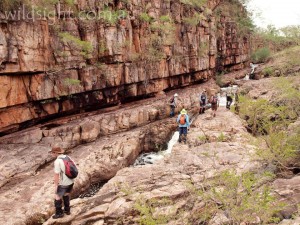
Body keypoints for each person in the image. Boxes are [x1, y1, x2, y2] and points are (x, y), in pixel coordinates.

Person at [49, 147, 75, 219]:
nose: (51, 154)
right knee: (66, 194)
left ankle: (59, 213)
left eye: (52, 152)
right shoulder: (67, 157)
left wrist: (56, 185)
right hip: (71, 180)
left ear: (56, 153)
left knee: (57, 197)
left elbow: (56, 174)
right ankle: (67, 210)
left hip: (64, 183)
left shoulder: (57, 161)